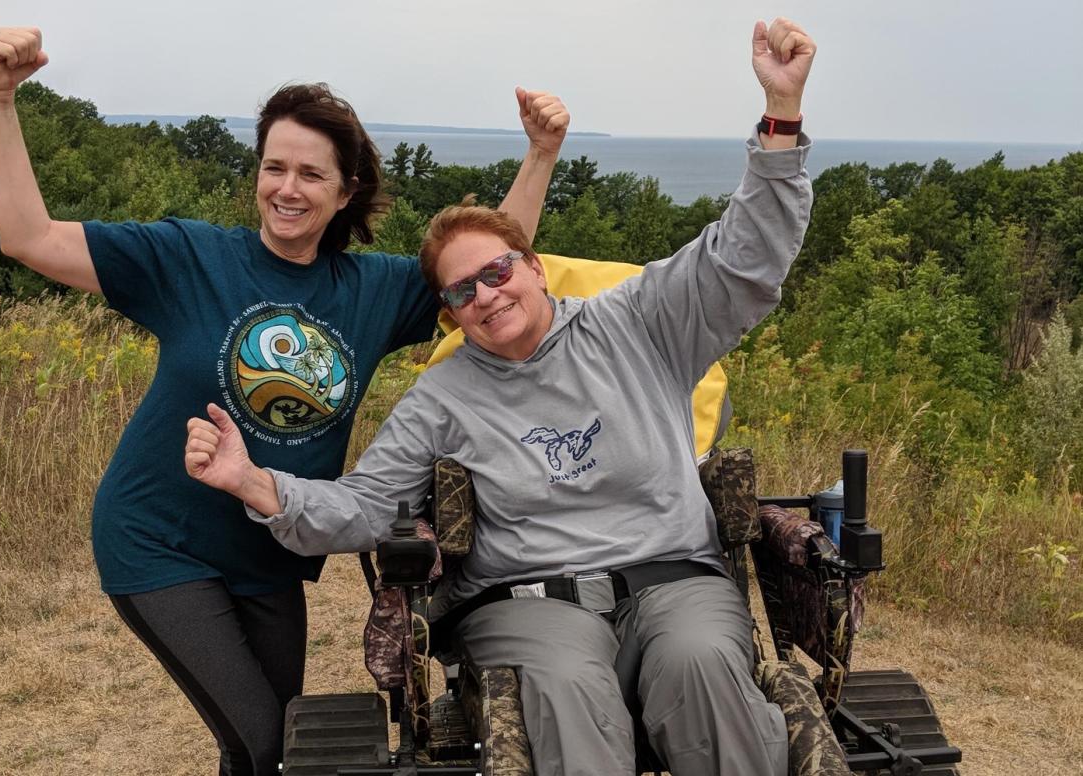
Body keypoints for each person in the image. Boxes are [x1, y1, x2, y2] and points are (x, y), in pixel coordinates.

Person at [185, 17, 815, 776]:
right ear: (450, 314)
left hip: (674, 580)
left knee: (704, 669)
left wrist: (781, 119)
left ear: (534, 267)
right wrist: (254, 482)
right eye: (462, 290)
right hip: (532, 604)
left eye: (498, 271)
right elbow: (365, 504)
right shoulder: (444, 397)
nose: (487, 294)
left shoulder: (640, 321)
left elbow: (745, 258)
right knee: (563, 692)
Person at [0, 26, 569, 776]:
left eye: (311, 174)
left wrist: (541, 155)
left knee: (274, 748)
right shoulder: (188, 258)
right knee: (262, 743)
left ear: (346, 190)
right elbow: (26, 236)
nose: (288, 188)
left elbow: (488, 269)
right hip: (159, 540)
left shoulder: (372, 290)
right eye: (274, 167)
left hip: (271, 552)